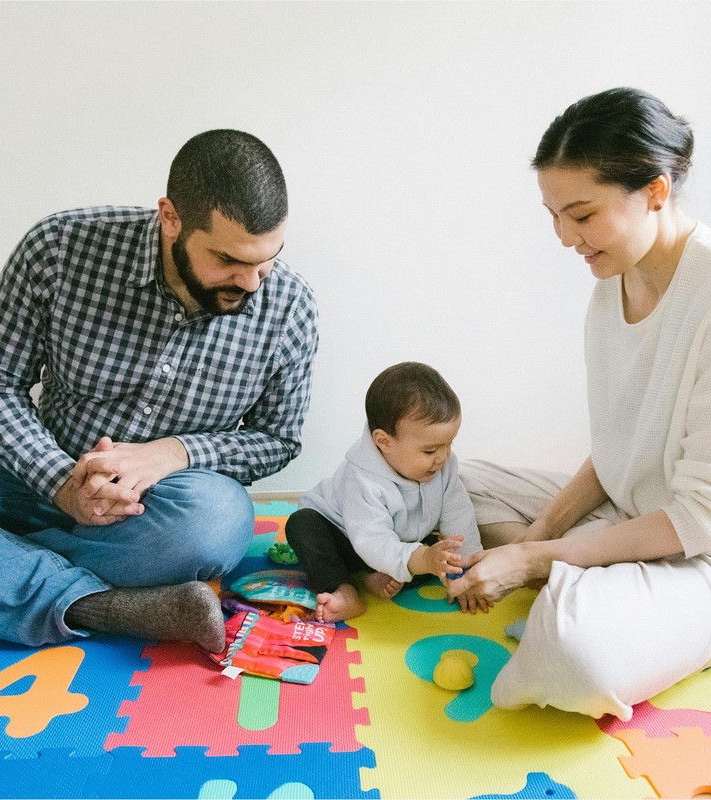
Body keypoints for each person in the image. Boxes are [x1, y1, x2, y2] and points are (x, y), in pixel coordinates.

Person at [0, 130, 319, 652]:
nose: (252, 283)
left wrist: (175, 452)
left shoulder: (290, 308)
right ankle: (93, 605)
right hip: (37, 477)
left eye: (267, 261)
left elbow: (277, 439)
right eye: (228, 261)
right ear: (170, 218)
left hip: (159, 515)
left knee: (219, 522)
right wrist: (60, 481)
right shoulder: (59, 248)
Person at [449, 87, 711, 719]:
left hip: (697, 547)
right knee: (455, 480)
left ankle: (596, 600)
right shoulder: (612, 284)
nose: (567, 237)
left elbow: (698, 518)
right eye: (554, 216)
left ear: (654, 191)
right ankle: (591, 583)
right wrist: (540, 533)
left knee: (574, 653)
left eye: (583, 215)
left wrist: (533, 556)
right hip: (630, 510)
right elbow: (620, 447)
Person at [286, 362, 487, 623]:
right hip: (347, 537)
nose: (443, 457)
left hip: (401, 542)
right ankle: (344, 589)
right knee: (302, 525)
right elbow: (371, 539)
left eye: (449, 444)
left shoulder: (444, 465)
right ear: (384, 442)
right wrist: (421, 559)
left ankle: (375, 576)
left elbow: (459, 515)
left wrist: (466, 573)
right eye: (430, 451)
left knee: (441, 554)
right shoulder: (362, 478)